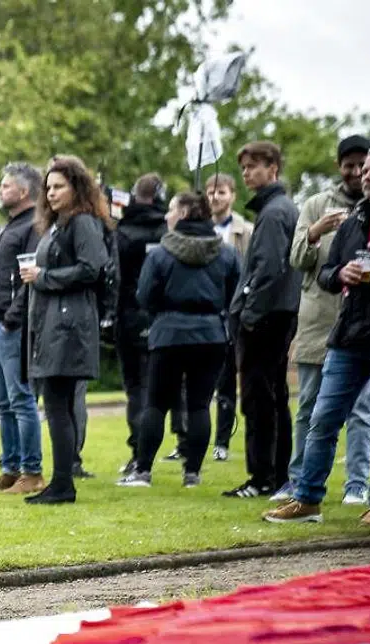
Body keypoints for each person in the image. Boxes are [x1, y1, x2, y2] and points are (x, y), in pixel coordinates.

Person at [264, 146, 370, 530]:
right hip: (349, 333)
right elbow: (325, 274)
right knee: (322, 418)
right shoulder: (354, 219)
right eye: (365, 170)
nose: (366, 176)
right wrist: (341, 275)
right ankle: (307, 499)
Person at [277, 135, 370, 506]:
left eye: (362, 165)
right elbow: (296, 257)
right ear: (339, 167)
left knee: (363, 411)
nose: (355, 172)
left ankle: (357, 485)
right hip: (318, 321)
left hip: (363, 324)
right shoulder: (317, 204)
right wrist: (316, 231)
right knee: (309, 407)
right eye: (348, 165)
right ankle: (298, 482)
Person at [117, 192, 238, 489]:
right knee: (199, 405)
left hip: (169, 333)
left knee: (156, 403)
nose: (166, 216)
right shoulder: (226, 253)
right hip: (211, 335)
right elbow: (236, 291)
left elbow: (144, 295)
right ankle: (192, 473)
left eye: (171, 209)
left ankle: (143, 470)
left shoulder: (160, 254)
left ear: (183, 213)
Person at [19, 155, 112, 506]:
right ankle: (60, 480)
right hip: (53, 323)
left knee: (59, 404)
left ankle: (62, 482)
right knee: (56, 404)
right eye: (48, 187)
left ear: (77, 187)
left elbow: (92, 268)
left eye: (59, 186)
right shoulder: (58, 224)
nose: (51, 192)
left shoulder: (83, 223)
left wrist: (44, 278)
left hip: (69, 326)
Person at [224, 141, 300, 499]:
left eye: (254, 166)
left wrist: (249, 315)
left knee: (259, 398)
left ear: (273, 168)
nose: (247, 173)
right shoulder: (277, 209)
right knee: (272, 395)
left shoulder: (273, 213)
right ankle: (275, 473)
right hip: (277, 313)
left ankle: (262, 476)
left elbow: (268, 269)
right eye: (244, 167)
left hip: (267, 317)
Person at [0, 162, 45, 494]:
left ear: (23, 192)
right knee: (3, 403)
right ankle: (10, 467)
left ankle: (32, 471)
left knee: (21, 399)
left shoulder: (32, 227)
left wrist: (11, 319)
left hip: (12, 326)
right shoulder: (7, 227)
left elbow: (29, 280)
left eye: (5, 186)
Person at [113, 174, 169, 474]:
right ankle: (178, 451)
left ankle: (140, 453)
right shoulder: (167, 230)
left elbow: (114, 276)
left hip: (131, 314)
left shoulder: (123, 231)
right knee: (160, 389)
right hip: (162, 315)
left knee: (136, 388)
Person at [205, 173, 253, 461]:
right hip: (205, 310)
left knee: (226, 381)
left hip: (231, 311)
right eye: (211, 192)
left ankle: (222, 439)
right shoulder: (198, 230)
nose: (215, 197)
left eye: (221, 192)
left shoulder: (244, 231)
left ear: (232, 195)